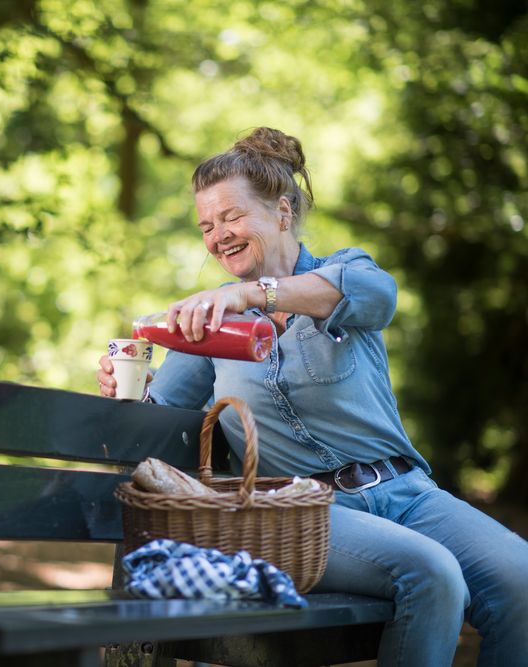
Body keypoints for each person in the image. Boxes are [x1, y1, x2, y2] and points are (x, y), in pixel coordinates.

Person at [96, 127, 528, 666]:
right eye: (206, 226)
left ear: (282, 211)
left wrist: (250, 294)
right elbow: (153, 419)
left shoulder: (345, 273)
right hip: (306, 513)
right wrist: (126, 388)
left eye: (231, 217)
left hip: (409, 494)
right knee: (431, 573)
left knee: (520, 580)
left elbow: (377, 296)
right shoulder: (211, 323)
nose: (219, 236)